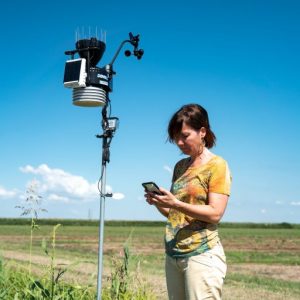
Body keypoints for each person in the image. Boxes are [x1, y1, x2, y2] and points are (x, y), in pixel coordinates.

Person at [144, 103, 231, 300]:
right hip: (174, 254)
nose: (180, 143)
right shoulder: (180, 166)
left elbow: (216, 214)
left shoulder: (217, 165)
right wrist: (159, 202)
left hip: (202, 256)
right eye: (176, 138)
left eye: (184, 136)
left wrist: (175, 203)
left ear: (202, 131)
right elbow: (176, 215)